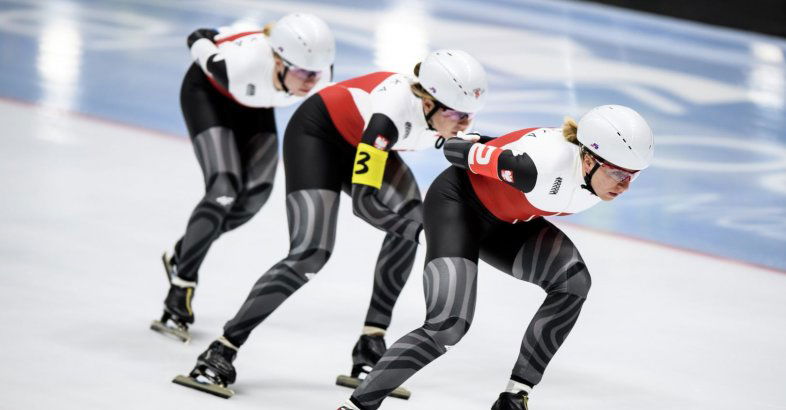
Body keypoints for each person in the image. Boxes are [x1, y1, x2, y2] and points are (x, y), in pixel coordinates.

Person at [174, 49, 489, 397]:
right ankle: (222, 348)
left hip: (363, 144)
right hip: (318, 138)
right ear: (427, 102)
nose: (464, 124)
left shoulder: (449, 116)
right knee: (311, 252)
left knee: (411, 217)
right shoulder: (390, 113)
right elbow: (366, 206)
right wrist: (423, 232)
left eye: (470, 115)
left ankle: (371, 344)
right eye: (457, 114)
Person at [338, 105, 655, 410]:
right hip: (456, 209)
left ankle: (513, 398)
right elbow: (455, 151)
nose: (625, 186)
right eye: (618, 174)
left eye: (634, 176)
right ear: (588, 160)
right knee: (447, 325)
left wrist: (488, 145)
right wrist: (485, 151)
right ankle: (355, 406)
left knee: (573, 282)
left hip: (507, 222)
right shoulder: (538, 166)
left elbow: (496, 145)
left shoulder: (591, 176)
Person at [151, 13, 336, 342]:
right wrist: (213, 34)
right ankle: (181, 288)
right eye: (302, 71)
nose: (310, 81)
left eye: (315, 73)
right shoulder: (239, 64)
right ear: (278, 60)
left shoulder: (321, 74)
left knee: (257, 194)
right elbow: (197, 36)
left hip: (256, 103)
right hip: (209, 95)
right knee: (224, 187)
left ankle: (183, 253)